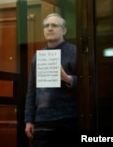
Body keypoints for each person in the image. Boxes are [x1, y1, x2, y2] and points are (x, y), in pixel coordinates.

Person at [24, 13, 77, 147]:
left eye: (54, 25)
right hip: (43, 119)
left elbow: (88, 83)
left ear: (63, 30)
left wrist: (67, 78)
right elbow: (31, 91)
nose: (49, 28)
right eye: (46, 26)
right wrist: (29, 120)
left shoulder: (74, 52)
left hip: (68, 119)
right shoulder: (38, 56)